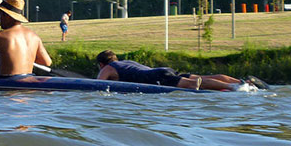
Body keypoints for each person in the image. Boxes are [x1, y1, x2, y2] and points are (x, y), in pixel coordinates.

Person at [95, 49, 257, 91]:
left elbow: (96, 85)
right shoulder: (126, 62)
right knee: (205, 76)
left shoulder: (108, 68)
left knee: (195, 83)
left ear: (102, 64)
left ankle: (234, 88)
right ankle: (241, 82)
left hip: (156, 76)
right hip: (163, 70)